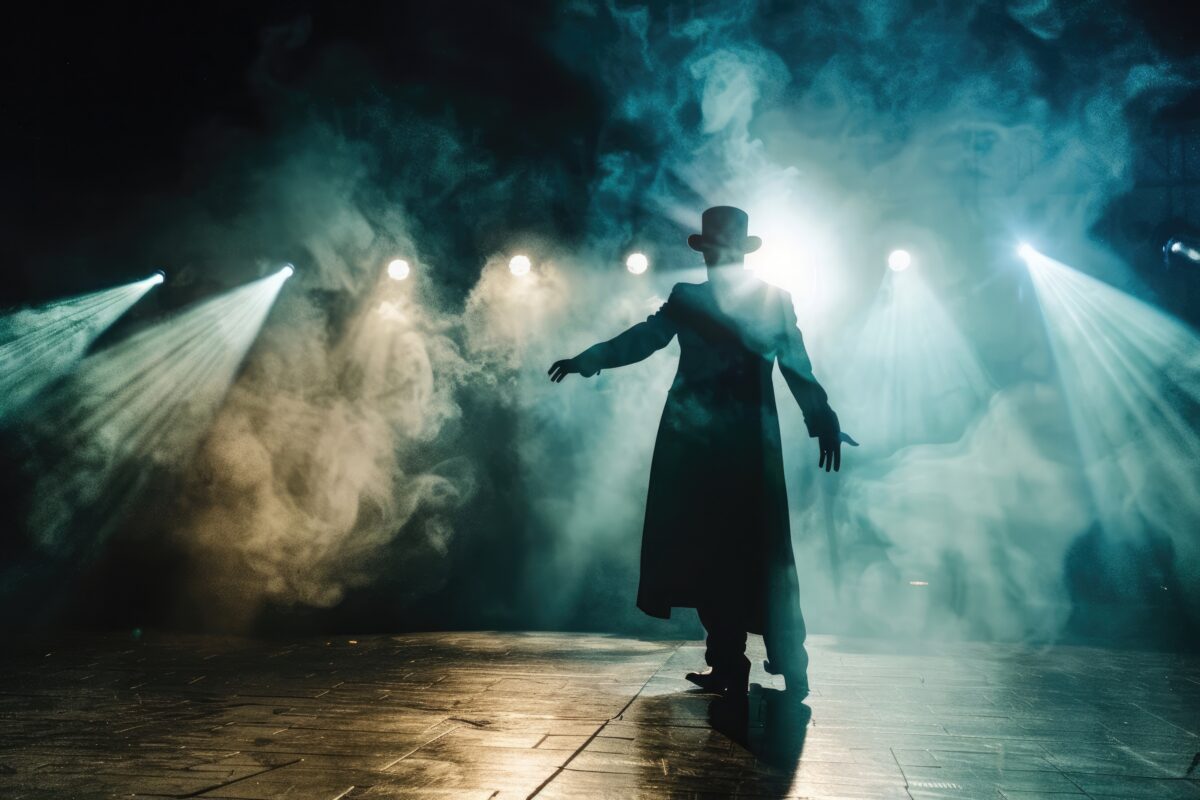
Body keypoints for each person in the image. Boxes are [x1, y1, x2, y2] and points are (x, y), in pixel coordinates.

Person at [548, 206, 854, 697]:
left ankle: (745, 663)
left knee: (732, 550)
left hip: (705, 446)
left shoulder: (701, 298)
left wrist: (823, 420)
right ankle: (767, 663)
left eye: (717, 249)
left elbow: (649, 338)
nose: (716, 256)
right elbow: (793, 366)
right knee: (754, 551)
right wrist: (822, 420)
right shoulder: (760, 300)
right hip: (737, 443)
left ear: (718, 251)